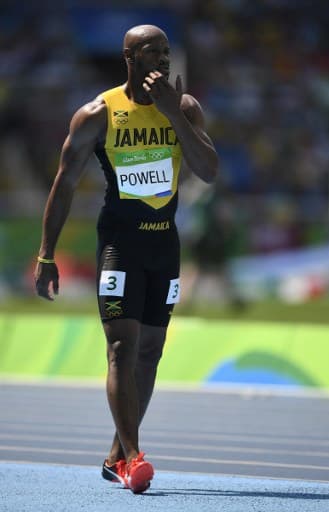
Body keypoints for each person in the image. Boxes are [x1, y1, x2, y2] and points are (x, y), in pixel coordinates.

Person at [34, 24, 218, 494]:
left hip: (165, 245)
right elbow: (65, 183)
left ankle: (117, 452)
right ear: (129, 58)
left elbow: (209, 171)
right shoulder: (98, 113)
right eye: (151, 51)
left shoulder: (185, 107)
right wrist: (46, 254)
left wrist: (174, 116)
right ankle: (134, 457)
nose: (162, 59)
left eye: (167, 51)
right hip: (120, 244)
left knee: (151, 352)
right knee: (121, 347)